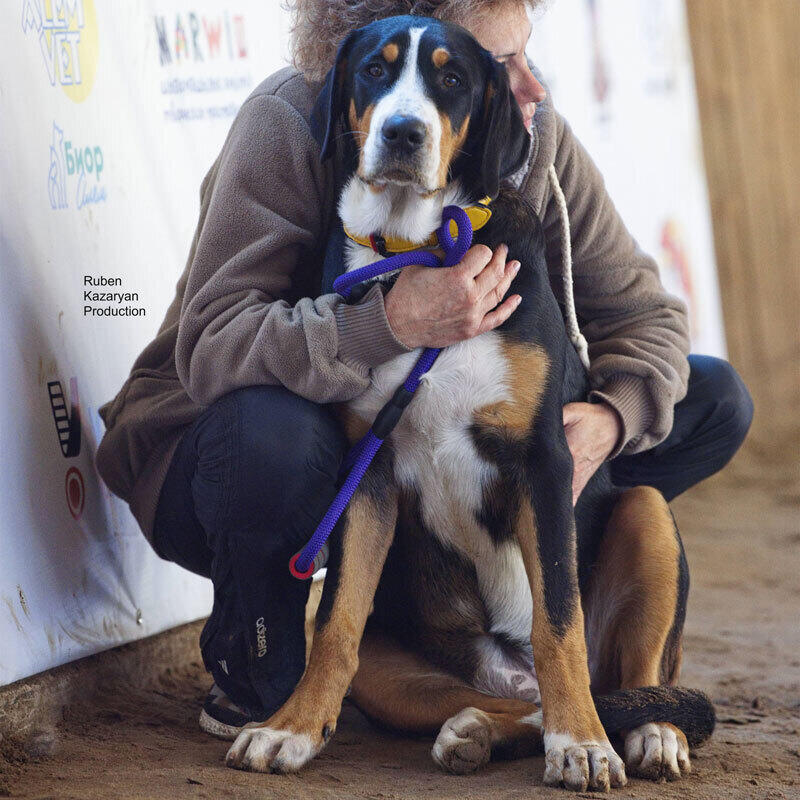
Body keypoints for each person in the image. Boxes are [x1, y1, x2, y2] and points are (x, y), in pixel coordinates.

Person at [95, 0, 753, 738]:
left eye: (523, 60)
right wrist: (387, 324)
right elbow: (214, 346)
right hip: (237, 450)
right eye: (504, 63)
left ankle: (541, 621)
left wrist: (605, 422)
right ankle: (259, 660)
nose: (530, 86)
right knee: (280, 437)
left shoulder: (524, 125)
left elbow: (647, 315)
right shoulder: (289, 117)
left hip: (468, 449)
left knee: (714, 398)